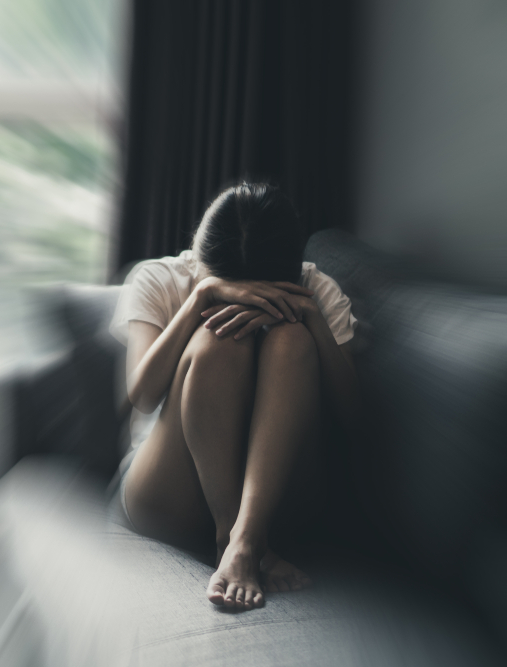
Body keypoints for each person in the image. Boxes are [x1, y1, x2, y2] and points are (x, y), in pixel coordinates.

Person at [109, 182, 360, 611]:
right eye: (225, 284)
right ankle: (238, 541)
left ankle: (245, 536)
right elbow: (143, 397)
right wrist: (201, 301)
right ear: (198, 256)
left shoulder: (314, 288)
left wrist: (313, 322)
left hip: (275, 499)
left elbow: (355, 421)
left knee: (292, 341)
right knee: (216, 342)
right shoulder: (161, 278)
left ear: (290, 273)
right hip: (170, 490)